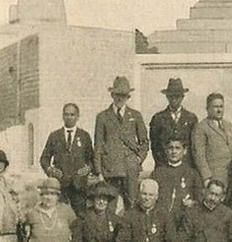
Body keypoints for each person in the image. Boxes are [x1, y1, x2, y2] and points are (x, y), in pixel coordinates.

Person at [93, 76, 149, 207]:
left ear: (128, 97)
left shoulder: (135, 116)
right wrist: (99, 171)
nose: (120, 98)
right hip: (110, 168)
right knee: (110, 205)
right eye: (117, 95)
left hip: (130, 168)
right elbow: (98, 145)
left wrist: (138, 160)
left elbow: (144, 142)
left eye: (124, 95)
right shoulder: (102, 117)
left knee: (132, 203)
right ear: (112, 95)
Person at [39, 103, 94, 216]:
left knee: (80, 216)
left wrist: (88, 169)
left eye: (72, 115)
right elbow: (44, 158)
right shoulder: (54, 136)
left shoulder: (84, 136)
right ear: (62, 116)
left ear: (77, 116)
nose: (69, 117)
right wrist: (50, 170)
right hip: (60, 184)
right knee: (59, 214)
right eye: (66, 114)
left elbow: (91, 159)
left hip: (79, 185)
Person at [151, 136, 204, 229]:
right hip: (161, 220)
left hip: (183, 221)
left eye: (177, 148)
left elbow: (200, 198)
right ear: (166, 151)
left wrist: (192, 203)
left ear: (185, 151)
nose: (174, 152)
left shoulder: (192, 173)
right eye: (170, 148)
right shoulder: (158, 173)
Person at [191, 93, 232, 189]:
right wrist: (206, 178)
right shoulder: (201, 127)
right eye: (215, 107)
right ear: (208, 109)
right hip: (215, 178)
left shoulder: (228, 125)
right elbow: (199, 155)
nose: (219, 110)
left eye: (221, 106)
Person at [149, 78, 198, 168]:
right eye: (171, 96)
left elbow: (194, 146)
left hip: (186, 168)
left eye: (177, 96)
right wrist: (162, 166)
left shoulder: (191, 118)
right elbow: (155, 147)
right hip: (164, 167)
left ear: (183, 97)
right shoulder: (158, 119)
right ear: (167, 97)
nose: (174, 99)